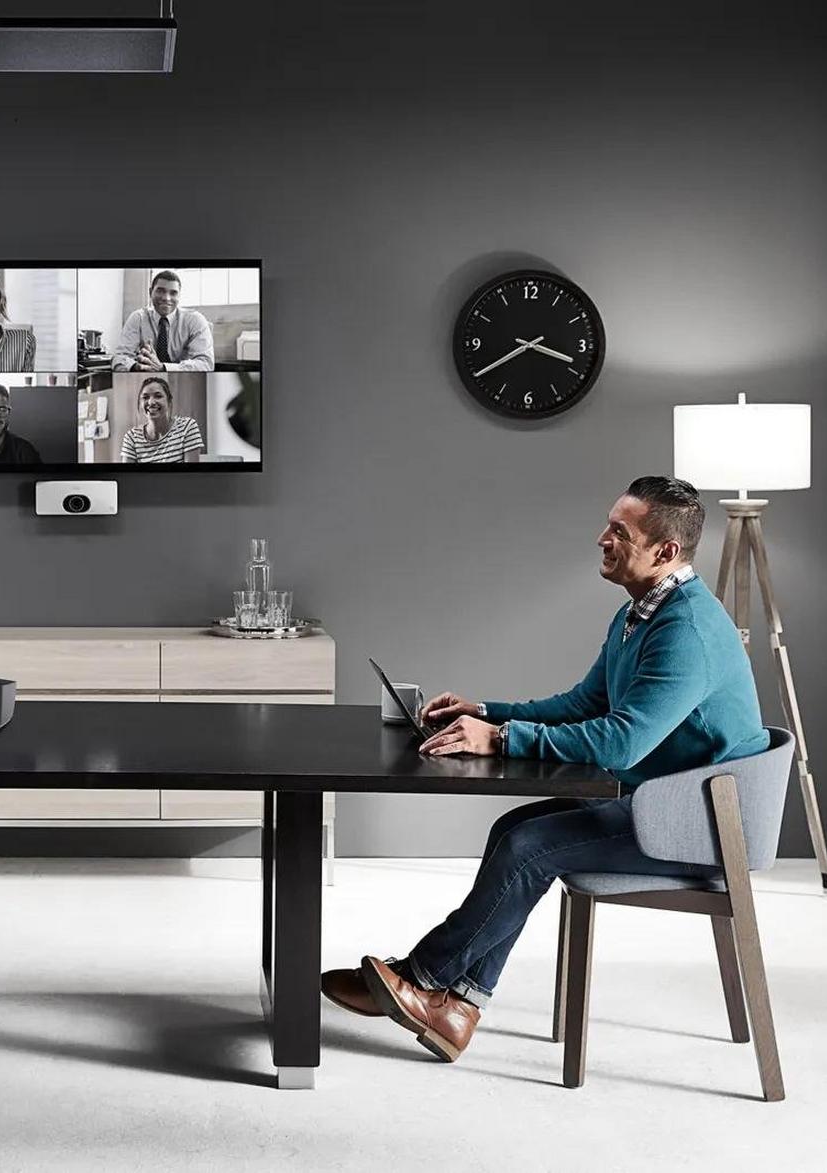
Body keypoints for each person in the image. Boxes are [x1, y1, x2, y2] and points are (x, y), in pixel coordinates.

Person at [322, 476, 766, 1064]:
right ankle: (458, 1006)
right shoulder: (640, 613)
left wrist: (501, 739)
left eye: (619, 532)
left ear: (665, 551)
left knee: (529, 847)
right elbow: (584, 704)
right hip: (662, 802)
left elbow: (620, 743)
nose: (601, 538)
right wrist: (487, 712)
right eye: (608, 524)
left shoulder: (686, 631)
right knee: (513, 830)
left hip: (700, 825)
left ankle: (422, 978)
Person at [112, 270, 215, 372]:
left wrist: (163, 368)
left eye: (173, 293)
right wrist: (137, 367)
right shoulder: (138, 318)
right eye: (160, 291)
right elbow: (119, 358)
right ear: (150, 292)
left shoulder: (195, 320)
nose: (166, 298)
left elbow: (206, 363)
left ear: (179, 296)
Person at [117, 376, 204, 463]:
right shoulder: (131, 438)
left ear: (169, 401)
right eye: (145, 397)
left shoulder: (187, 427)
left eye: (158, 396)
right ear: (140, 403)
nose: (151, 402)